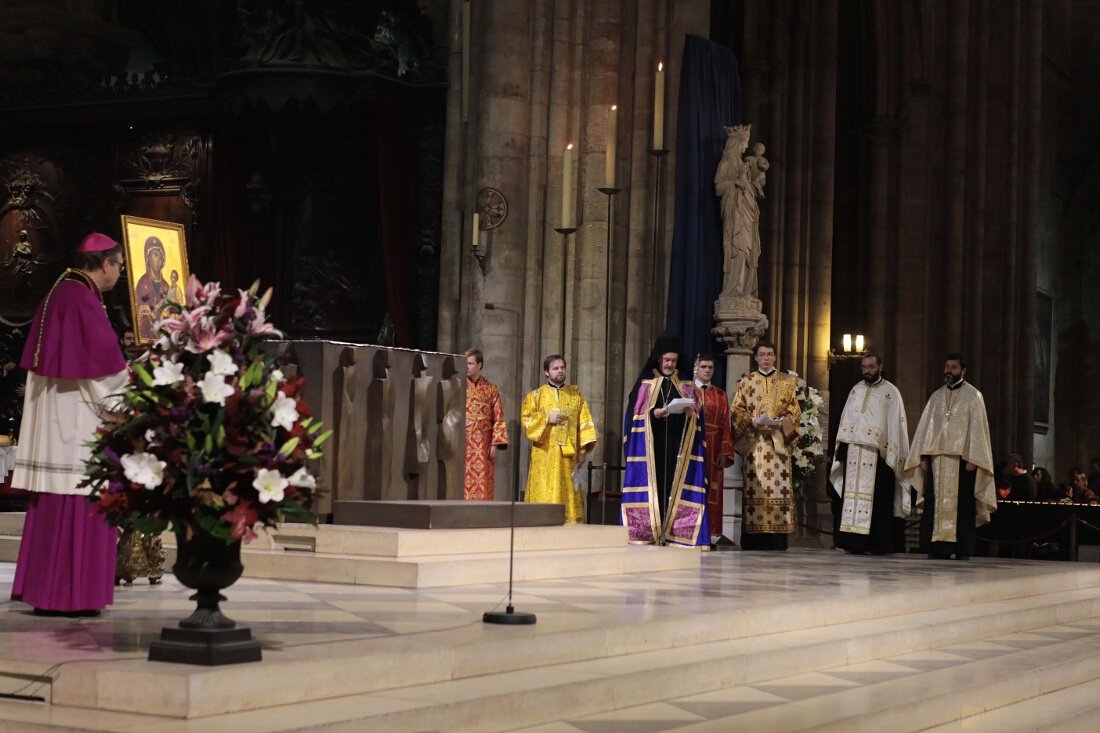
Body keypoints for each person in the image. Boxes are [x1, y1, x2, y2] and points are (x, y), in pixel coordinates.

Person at [10, 232, 129, 615]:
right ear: (105, 263)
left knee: (56, 504)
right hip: (75, 424)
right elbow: (101, 373)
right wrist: (135, 393)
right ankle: (72, 595)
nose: (121, 272)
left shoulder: (61, 290)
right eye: (120, 265)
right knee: (79, 499)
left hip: (58, 419)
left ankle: (46, 591)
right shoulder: (81, 299)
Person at [904, 352, 996, 560]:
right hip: (938, 461)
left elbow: (978, 430)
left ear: (963, 370)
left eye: (953, 367)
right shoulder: (936, 396)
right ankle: (938, 548)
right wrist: (924, 457)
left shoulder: (973, 396)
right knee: (934, 504)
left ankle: (962, 548)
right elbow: (927, 430)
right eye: (947, 367)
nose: (948, 371)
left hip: (963, 461)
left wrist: (975, 457)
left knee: (962, 507)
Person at [621, 338, 709, 546]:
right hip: (654, 448)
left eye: (674, 360)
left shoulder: (687, 386)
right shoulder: (645, 385)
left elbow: (698, 422)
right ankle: (649, 532)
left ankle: (675, 533)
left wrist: (691, 412)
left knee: (675, 487)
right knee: (656, 488)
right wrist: (654, 414)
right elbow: (634, 419)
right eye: (667, 360)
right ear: (659, 360)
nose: (670, 364)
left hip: (678, 448)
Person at [828, 353, 910, 555]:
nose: (867, 370)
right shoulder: (856, 390)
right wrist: (842, 450)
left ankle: (876, 544)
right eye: (864, 367)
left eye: (871, 366)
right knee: (852, 499)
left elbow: (895, 427)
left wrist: (890, 453)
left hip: (878, 457)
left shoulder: (891, 393)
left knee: (879, 502)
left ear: (880, 367)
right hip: (855, 455)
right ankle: (853, 542)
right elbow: (847, 420)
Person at [730, 340, 801, 551]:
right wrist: (749, 420)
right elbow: (736, 410)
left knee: (778, 490)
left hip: (778, 444)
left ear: (775, 357)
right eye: (762, 355)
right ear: (756, 358)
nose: (766, 358)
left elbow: (795, 412)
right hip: (756, 445)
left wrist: (782, 422)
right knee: (756, 489)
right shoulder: (747, 382)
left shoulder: (787, 382)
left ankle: (777, 539)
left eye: (770, 354)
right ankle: (755, 538)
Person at [521, 355, 596, 524]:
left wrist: (583, 450)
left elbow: (584, 422)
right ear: (546, 372)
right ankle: (540, 521)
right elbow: (526, 421)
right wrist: (547, 418)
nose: (560, 371)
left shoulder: (575, 395)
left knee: (568, 489)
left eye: (562, 367)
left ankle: (570, 522)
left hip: (569, 456)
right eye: (555, 368)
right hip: (545, 455)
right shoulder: (536, 396)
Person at [692, 354, 734, 543]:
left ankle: (711, 533)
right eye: (704, 367)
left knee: (713, 491)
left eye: (710, 367)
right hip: (694, 446)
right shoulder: (688, 391)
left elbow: (726, 424)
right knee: (694, 487)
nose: (707, 370)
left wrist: (725, 451)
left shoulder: (720, 394)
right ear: (696, 368)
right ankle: (691, 530)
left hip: (715, 446)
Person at [463, 348, 508, 500]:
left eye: (470, 363)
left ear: (479, 365)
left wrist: (495, 444)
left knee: (482, 481)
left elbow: (499, 418)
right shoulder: (458, 386)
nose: (466, 366)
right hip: (461, 442)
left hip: (483, 444)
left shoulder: (491, 389)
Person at [134, 235, 168, 342]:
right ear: (148, 258)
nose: (159, 259)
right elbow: (140, 310)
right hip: (149, 336)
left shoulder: (166, 286)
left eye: (161, 256)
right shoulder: (142, 283)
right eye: (155, 255)